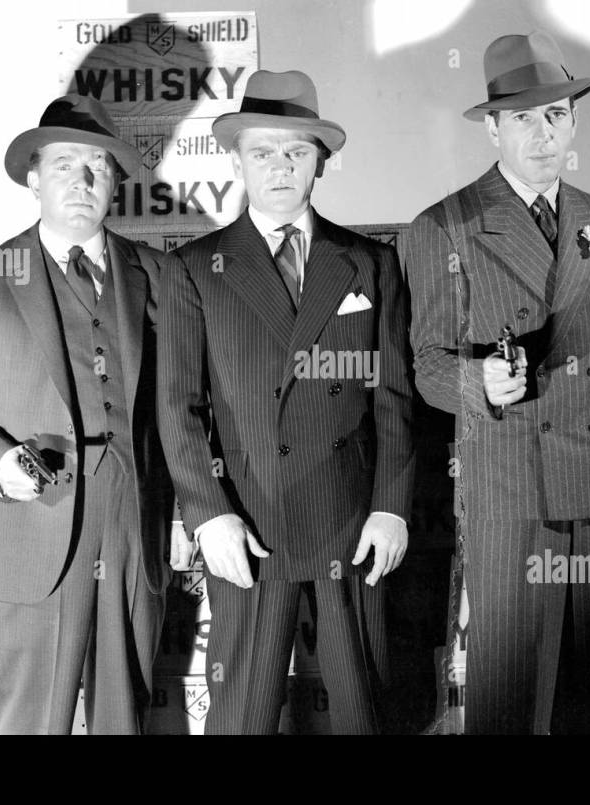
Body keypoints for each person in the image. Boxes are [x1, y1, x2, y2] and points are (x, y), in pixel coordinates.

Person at [404, 31, 590, 734]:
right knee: (511, 697)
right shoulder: (445, 227)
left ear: (573, 122)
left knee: (588, 694)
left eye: (555, 115)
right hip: (509, 489)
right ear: (493, 128)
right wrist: (478, 380)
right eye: (522, 118)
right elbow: (425, 365)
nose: (542, 135)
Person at [157, 70, 415, 734]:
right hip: (249, 521)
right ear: (237, 160)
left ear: (320, 162)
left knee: (363, 711)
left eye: (297, 151)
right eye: (263, 151)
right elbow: (178, 407)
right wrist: (208, 514)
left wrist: (391, 506)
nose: (280, 166)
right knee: (242, 713)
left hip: (349, 518)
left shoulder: (370, 262)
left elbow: (393, 399)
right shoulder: (195, 268)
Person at [0, 94, 175, 734]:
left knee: (124, 715)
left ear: (115, 180)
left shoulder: (160, 275)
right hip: (33, 524)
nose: (81, 180)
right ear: (34, 178)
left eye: (97, 165)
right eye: (63, 164)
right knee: (34, 719)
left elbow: (182, 402)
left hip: (131, 522)